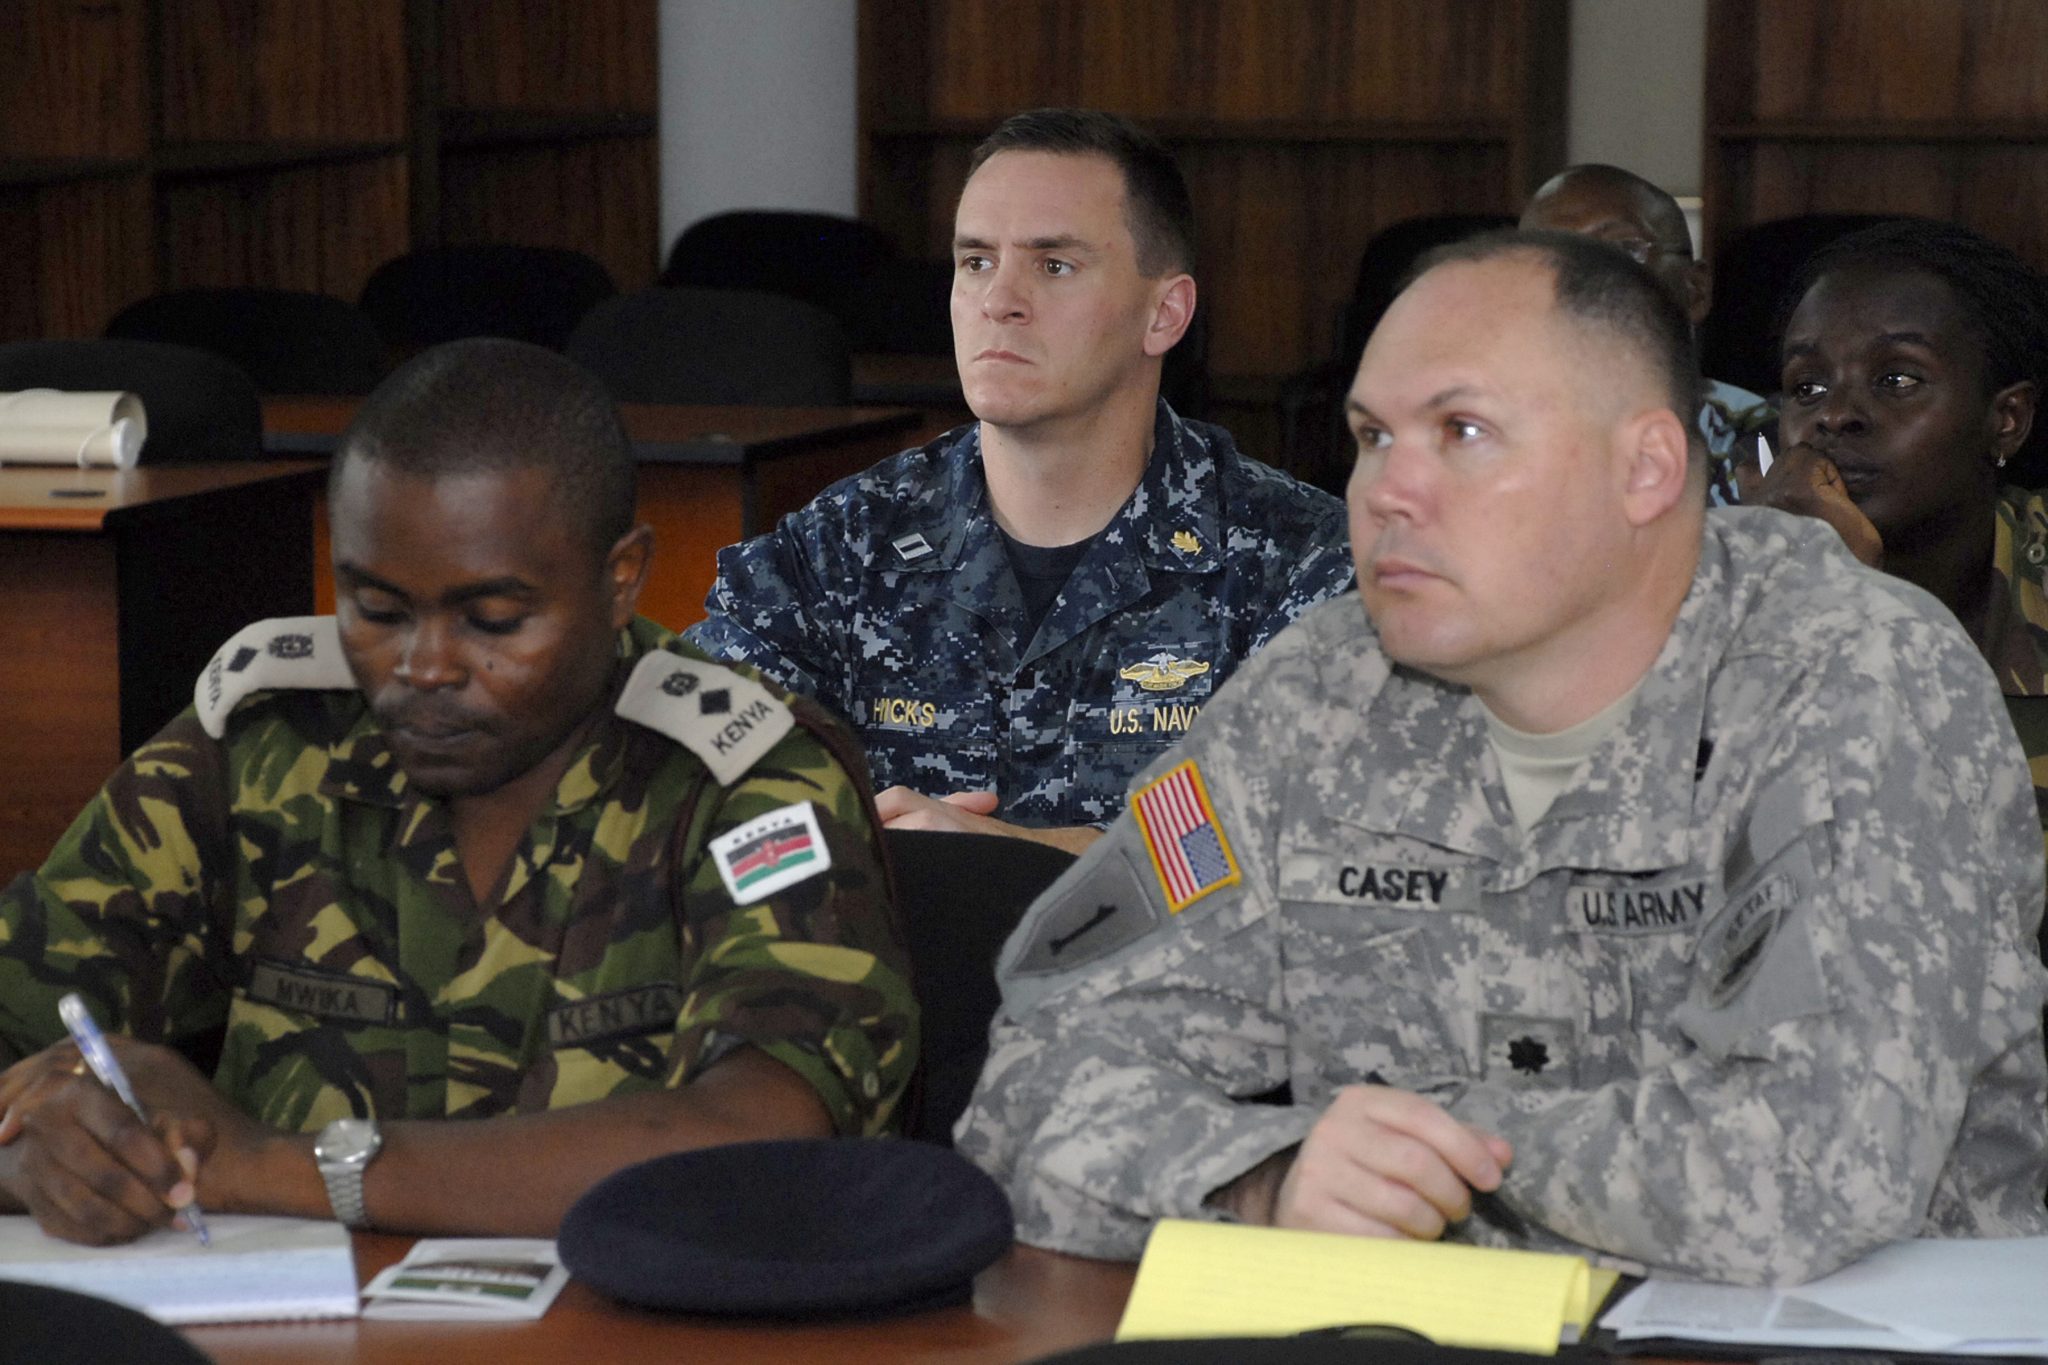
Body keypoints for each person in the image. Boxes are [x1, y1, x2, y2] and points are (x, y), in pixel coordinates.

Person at [956, 230, 2048, 1285]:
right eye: (1372, 436)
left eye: (1462, 434)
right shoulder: (1314, 693)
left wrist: (1411, 1164)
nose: (1387, 489)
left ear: (1644, 469)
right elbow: (1029, 1085)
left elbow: (1805, 1171)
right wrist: (1265, 1178)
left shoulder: (1854, 676)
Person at [0, 339, 916, 1247]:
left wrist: (275, 1163)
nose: (424, 667)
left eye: (493, 620)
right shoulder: (261, 748)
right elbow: (24, 1035)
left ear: (619, 577)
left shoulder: (745, 775)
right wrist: (45, 1158)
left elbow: (765, 1138)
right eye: (377, 609)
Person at [686, 109, 1352, 852]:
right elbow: (685, 754)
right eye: (975, 262)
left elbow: (1309, 842)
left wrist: (1006, 857)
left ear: (1164, 314)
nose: (998, 299)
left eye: (1053, 264)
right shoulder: (848, 540)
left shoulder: (1295, 558)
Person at [1740, 220, 2048, 900]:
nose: (1836, 416)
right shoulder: (1712, 594)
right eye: (1807, 387)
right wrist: (1811, 597)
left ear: (2007, 419)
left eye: (1898, 379)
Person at [1521, 163, 1771, 504]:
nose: (1579, 283)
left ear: (1694, 290)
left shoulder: (1759, 438)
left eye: (1623, 251)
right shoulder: (1476, 433)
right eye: (1548, 259)